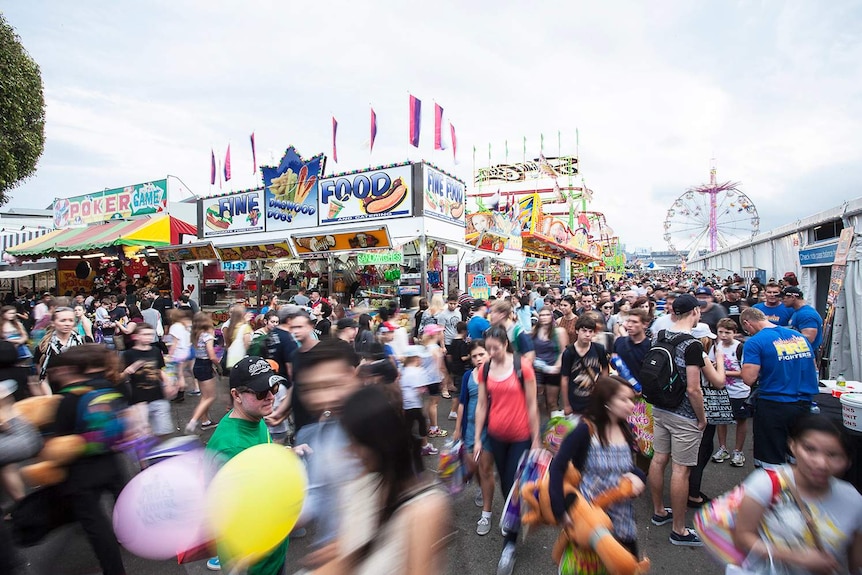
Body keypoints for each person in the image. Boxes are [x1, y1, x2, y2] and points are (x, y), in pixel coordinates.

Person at [313, 385, 449, 575]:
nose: (350, 451)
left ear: (377, 442)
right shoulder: (359, 486)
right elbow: (344, 558)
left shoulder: (424, 508)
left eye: (355, 443)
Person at [732, 415, 862, 574]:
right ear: (792, 446)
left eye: (833, 455)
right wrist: (796, 557)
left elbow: (856, 561)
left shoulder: (853, 500)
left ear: (848, 460)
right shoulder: (765, 484)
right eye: (810, 449)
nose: (821, 463)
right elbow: (743, 536)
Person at [647, 294, 725, 547]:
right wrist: (701, 419)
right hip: (684, 414)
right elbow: (698, 388)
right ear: (694, 312)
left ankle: (659, 511)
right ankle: (679, 530)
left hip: (660, 407)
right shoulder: (692, 346)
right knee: (681, 470)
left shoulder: (661, 336)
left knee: (659, 459)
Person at [205, 356, 290, 574]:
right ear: (237, 396)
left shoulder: (254, 417)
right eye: (261, 392)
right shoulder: (232, 449)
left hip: (272, 552)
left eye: (274, 386)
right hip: (254, 564)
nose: (271, 396)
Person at [51, 345, 129, 575]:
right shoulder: (109, 387)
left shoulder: (69, 398)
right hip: (111, 460)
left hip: (81, 470)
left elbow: (60, 440)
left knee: (97, 528)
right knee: (123, 503)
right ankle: (132, 535)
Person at [548, 375, 646, 557]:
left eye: (631, 400)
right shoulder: (584, 431)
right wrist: (561, 511)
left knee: (627, 565)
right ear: (607, 402)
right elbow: (557, 467)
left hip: (623, 518)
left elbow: (625, 468)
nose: (631, 405)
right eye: (624, 400)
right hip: (591, 520)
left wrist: (639, 477)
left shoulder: (626, 429)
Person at [473, 325, 540, 575]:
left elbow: (533, 405)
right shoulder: (485, 369)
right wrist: (479, 438)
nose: (491, 352)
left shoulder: (522, 366)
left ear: (505, 344)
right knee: (504, 485)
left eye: (495, 347)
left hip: (521, 435)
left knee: (513, 487)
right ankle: (514, 521)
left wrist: (536, 440)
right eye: (487, 348)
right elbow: (481, 405)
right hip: (496, 435)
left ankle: (509, 543)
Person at [740, 306, 819, 468]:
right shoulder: (798, 336)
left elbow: (748, 378)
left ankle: (774, 491)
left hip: (774, 404)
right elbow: (813, 367)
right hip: (804, 404)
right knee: (797, 454)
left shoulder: (755, 342)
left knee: (770, 459)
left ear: (747, 323)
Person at [453, 340, 496, 536]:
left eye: (482, 354)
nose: (478, 359)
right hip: (470, 429)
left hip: (491, 430)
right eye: (474, 356)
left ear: (489, 354)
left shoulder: (497, 375)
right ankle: (482, 486)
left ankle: (486, 513)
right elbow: (462, 403)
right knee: (475, 467)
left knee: (485, 469)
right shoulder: (467, 376)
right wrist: (457, 429)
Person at [122, 322, 176, 437]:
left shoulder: (155, 351)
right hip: (138, 400)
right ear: (135, 336)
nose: (149, 337)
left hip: (158, 397)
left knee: (163, 431)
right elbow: (119, 377)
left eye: (151, 335)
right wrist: (130, 369)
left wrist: (168, 383)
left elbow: (159, 370)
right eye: (145, 334)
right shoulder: (128, 354)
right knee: (142, 434)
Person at [711, 318, 749, 467]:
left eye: (728, 332)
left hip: (739, 391)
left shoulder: (740, 348)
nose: (724, 335)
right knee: (721, 420)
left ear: (734, 333)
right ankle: (723, 448)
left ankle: (738, 451)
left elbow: (745, 372)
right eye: (721, 332)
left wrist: (723, 371)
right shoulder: (717, 345)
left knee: (741, 420)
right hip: (721, 389)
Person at [560, 314, 609, 416]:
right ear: (577, 331)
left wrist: (603, 387)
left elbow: (605, 368)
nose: (587, 334)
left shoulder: (599, 349)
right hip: (575, 398)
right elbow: (565, 378)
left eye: (590, 331)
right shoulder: (569, 352)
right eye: (584, 331)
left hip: (594, 398)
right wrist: (566, 405)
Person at [186, 312, 221, 434]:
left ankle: (205, 421)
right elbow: (211, 355)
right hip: (205, 366)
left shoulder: (196, 335)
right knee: (210, 397)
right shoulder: (207, 336)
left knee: (204, 395)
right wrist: (218, 364)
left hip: (198, 364)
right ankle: (193, 421)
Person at [38, 306, 84, 394]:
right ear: (53, 323)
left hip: (80, 393)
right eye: (63, 320)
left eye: (71, 320)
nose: (67, 324)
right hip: (55, 394)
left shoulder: (83, 343)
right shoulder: (44, 347)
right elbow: (43, 378)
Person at [400, 345, 436, 456]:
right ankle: (424, 446)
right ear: (416, 358)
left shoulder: (403, 369)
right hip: (415, 404)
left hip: (405, 404)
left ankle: (405, 446)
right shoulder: (418, 371)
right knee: (422, 424)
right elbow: (421, 389)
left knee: (408, 426)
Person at [532, 307, 567, 414]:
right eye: (541, 315)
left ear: (551, 316)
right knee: (537, 401)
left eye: (547, 315)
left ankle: (554, 427)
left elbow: (564, 351)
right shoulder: (534, 331)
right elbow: (529, 350)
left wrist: (556, 367)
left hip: (554, 369)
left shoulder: (559, 331)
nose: (544, 317)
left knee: (552, 402)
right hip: (537, 369)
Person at [421, 324, 448, 438]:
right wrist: (444, 380)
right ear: (435, 334)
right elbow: (441, 367)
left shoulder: (425, 347)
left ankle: (427, 423)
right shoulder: (436, 349)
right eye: (440, 332)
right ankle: (434, 428)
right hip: (434, 379)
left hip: (425, 378)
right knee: (434, 404)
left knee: (429, 402)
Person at [488, 298, 535, 364]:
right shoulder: (493, 331)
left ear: (502, 314)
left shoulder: (519, 332)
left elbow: (529, 356)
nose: (490, 315)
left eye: (492, 312)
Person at [166, 308, 196, 402]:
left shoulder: (174, 327)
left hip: (179, 352)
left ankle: (181, 392)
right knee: (183, 372)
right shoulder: (185, 325)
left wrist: (170, 354)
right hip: (187, 351)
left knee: (179, 374)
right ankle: (183, 390)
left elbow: (175, 342)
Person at [782, 286, 824, 352]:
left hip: (808, 355)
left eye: (784, 298)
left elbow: (809, 338)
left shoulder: (806, 314)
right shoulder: (798, 311)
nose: (782, 300)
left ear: (793, 297)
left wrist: (783, 345)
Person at [444, 321, 469, 421]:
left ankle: (455, 410)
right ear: (464, 331)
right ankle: (453, 411)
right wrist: (470, 355)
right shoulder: (462, 343)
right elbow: (463, 358)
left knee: (457, 389)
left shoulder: (453, 341)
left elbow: (449, 355)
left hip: (454, 368)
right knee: (458, 392)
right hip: (461, 369)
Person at [224, 304, 253, 370]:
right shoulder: (245, 327)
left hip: (232, 359)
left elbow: (227, 344)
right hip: (241, 359)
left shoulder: (230, 327)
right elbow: (247, 344)